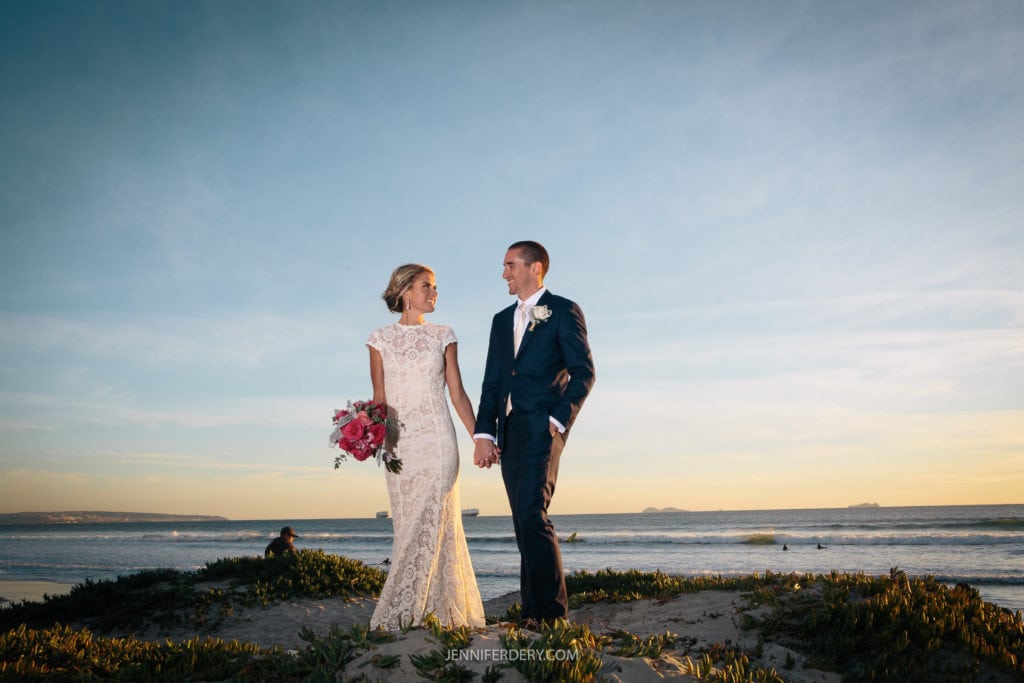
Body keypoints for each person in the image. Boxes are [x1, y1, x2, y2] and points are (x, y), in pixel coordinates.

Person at [473, 240, 595, 624]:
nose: (504, 273)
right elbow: (493, 381)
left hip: (544, 426)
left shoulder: (561, 310)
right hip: (509, 431)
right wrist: (484, 434)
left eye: (511, 265)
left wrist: (558, 419)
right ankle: (531, 614)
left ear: (535, 268)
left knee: (532, 514)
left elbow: (584, 372)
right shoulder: (499, 320)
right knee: (521, 521)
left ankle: (553, 617)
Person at [367, 263, 485, 630]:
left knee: (434, 520)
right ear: (405, 291)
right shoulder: (379, 339)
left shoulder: (443, 335)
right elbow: (379, 399)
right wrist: (366, 435)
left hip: (437, 443)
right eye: (427, 286)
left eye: (435, 287)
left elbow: (458, 393)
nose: (434, 293)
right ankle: (427, 614)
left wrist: (480, 438)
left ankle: (409, 615)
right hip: (398, 446)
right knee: (407, 526)